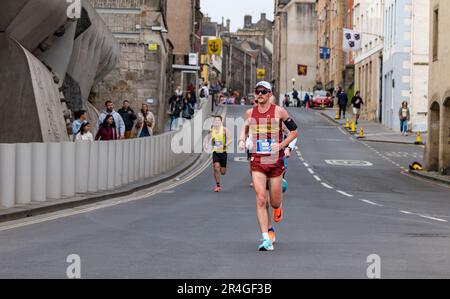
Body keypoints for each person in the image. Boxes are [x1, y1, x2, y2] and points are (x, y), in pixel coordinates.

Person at [239, 81, 298, 252]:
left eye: (263, 92)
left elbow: (294, 132)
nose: (260, 94)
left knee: (274, 202)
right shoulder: (250, 112)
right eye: (257, 91)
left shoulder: (279, 111)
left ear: (270, 94)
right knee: (260, 198)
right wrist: (242, 139)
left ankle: (278, 206)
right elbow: (245, 127)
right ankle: (266, 237)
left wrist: (281, 146)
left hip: (276, 162)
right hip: (258, 161)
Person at [204, 116, 232, 192]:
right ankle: (218, 185)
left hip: (223, 152)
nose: (216, 121)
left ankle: (220, 169)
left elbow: (230, 140)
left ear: (221, 121)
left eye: (218, 120)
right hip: (215, 151)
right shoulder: (211, 130)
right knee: (216, 168)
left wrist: (225, 145)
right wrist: (206, 144)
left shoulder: (224, 129)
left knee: (223, 172)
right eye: (215, 120)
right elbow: (207, 138)